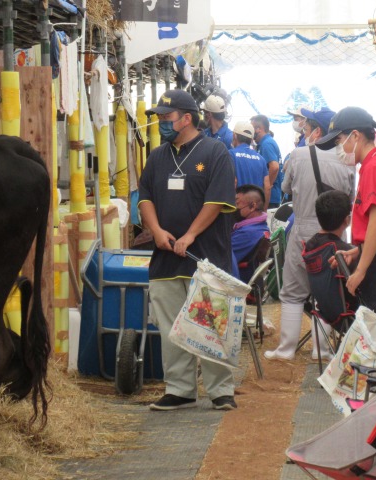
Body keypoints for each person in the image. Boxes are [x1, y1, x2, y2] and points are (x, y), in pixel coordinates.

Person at [139, 89, 238, 411]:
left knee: (211, 323)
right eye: (159, 118)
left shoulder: (215, 151)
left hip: (205, 257)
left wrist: (190, 235)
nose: (161, 123)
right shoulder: (157, 156)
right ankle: (179, 389)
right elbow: (145, 197)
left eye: (166, 117)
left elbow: (217, 201)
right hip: (165, 258)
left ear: (186, 118)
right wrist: (156, 231)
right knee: (171, 326)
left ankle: (220, 389)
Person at [316, 106, 376, 344]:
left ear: (355, 136)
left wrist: (360, 271)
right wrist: (357, 251)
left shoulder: (375, 167)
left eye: (339, 141)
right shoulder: (374, 165)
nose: (339, 149)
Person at [264, 107, 355, 361]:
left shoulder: (298, 154)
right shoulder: (347, 161)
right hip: (335, 236)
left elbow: (285, 187)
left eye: (306, 127)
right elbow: (350, 198)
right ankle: (321, 350)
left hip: (303, 230)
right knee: (328, 292)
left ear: (318, 131)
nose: (303, 131)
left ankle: (286, 349)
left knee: (293, 291)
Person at [303, 190, 359, 324]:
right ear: (347, 220)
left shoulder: (310, 245)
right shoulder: (342, 251)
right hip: (351, 315)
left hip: (326, 313)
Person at [231, 184, 270, 281]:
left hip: (236, 280)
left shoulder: (247, 233)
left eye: (237, 203)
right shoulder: (261, 227)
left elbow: (221, 258)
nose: (234, 207)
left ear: (252, 206)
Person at [229, 121, 271, 209]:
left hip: (238, 209)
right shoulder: (261, 159)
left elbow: (232, 182)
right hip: (255, 210)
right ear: (251, 140)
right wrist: (264, 211)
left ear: (234, 135)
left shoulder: (230, 155)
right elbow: (267, 187)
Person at [251, 114, 282, 208]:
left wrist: (266, 188)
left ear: (259, 129)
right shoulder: (264, 143)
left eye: (251, 128)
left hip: (270, 198)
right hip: (270, 197)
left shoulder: (266, 144)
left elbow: (274, 167)